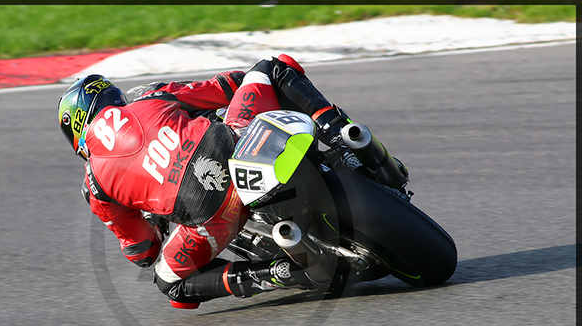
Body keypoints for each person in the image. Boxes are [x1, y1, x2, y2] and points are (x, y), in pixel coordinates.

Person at [58, 54, 406, 309]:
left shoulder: (95, 186)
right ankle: (343, 137)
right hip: (239, 145)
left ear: (77, 131)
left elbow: (143, 251)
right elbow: (230, 84)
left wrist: (157, 220)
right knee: (272, 68)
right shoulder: (150, 97)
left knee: (171, 285)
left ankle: (278, 273)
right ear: (110, 98)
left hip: (212, 215)